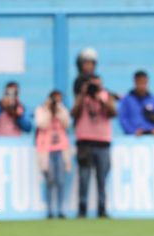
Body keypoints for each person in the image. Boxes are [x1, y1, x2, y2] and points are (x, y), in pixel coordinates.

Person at [71, 75, 116, 218]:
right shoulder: (82, 97)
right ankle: (82, 209)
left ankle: (102, 209)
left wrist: (100, 99)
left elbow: (112, 113)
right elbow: (74, 113)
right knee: (84, 178)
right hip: (85, 142)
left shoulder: (106, 96)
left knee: (102, 178)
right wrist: (83, 95)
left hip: (103, 142)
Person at [35, 90, 71, 219]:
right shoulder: (41, 110)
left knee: (61, 181)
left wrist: (59, 109)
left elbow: (67, 124)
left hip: (61, 149)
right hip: (47, 150)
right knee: (50, 181)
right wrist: (49, 110)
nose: (57, 101)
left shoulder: (63, 110)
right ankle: (50, 210)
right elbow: (41, 124)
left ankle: (61, 210)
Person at [118, 71, 154, 135]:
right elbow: (123, 119)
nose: (142, 85)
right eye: (139, 82)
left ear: (147, 82)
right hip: (134, 138)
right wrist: (132, 131)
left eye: (144, 82)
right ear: (135, 82)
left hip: (152, 137)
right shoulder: (127, 100)